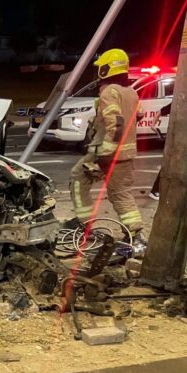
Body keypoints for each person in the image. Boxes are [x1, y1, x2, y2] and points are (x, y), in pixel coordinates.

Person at [69, 48, 146, 252]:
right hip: (126, 154)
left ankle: (86, 225)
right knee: (120, 193)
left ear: (106, 69)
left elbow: (117, 124)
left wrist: (105, 154)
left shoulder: (108, 92)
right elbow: (137, 116)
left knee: (78, 179)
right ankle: (136, 235)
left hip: (106, 153)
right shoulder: (131, 92)